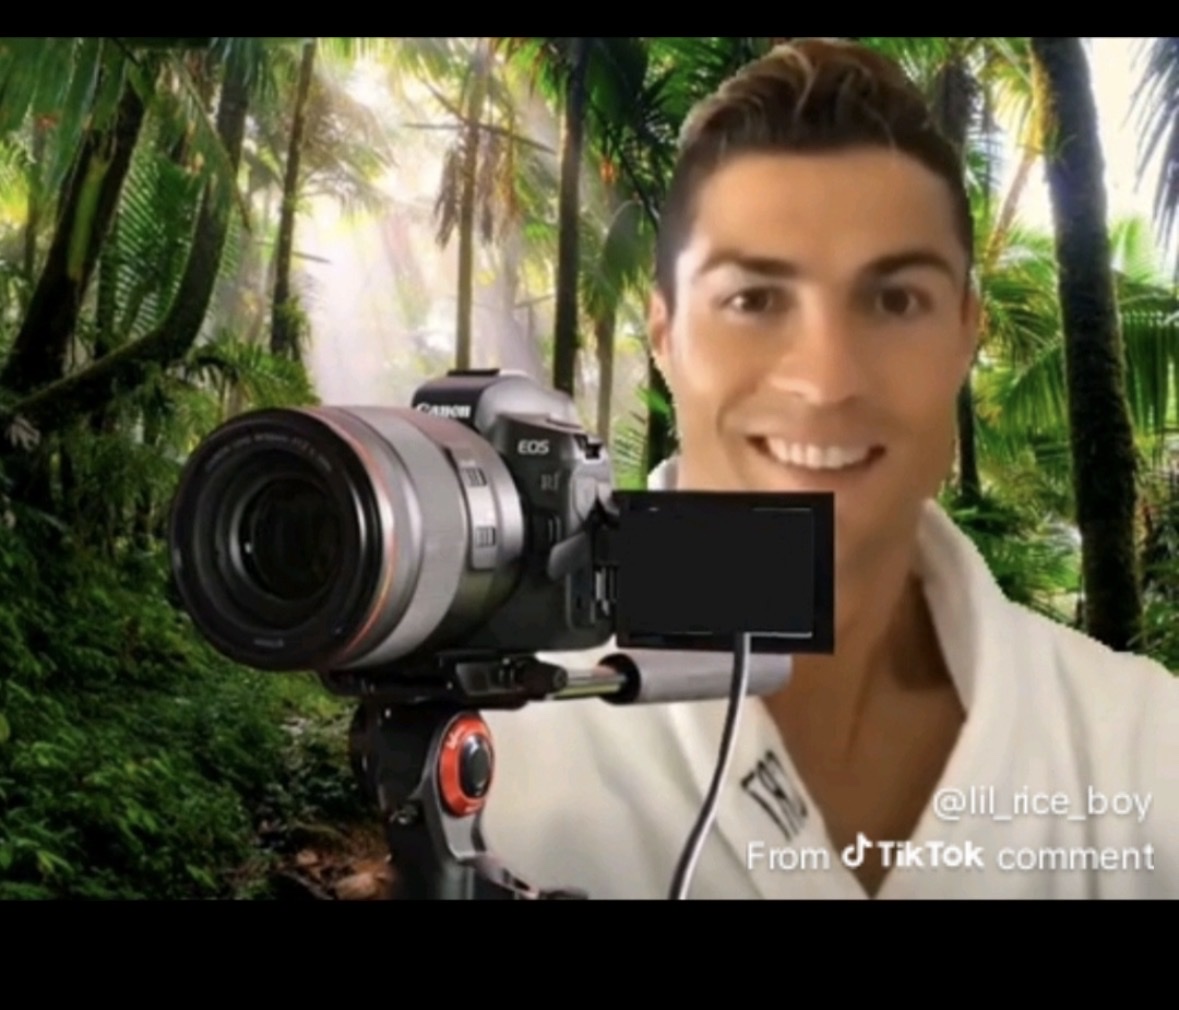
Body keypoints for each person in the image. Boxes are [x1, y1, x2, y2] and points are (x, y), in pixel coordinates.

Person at [478, 38, 1179, 900]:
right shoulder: (502, 736)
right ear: (664, 334)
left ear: (965, 332)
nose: (826, 377)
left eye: (894, 299)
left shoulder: (1142, 746)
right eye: (753, 299)